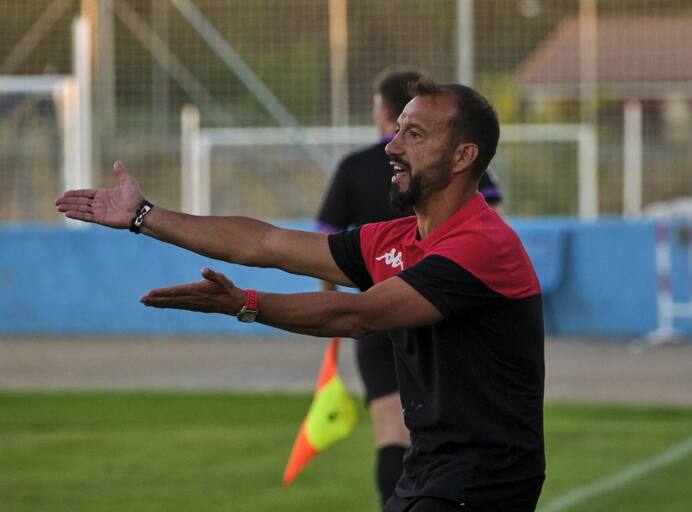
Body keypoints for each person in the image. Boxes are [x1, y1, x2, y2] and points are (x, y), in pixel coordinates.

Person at [56, 79, 545, 512]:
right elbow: (266, 243)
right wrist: (144, 215)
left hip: (485, 482)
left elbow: (359, 316)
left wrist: (245, 304)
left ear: (463, 157)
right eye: (397, 130)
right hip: (430, 473)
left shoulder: (482, 244)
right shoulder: (394, 239)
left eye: (414, 135)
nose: (392, 146)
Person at [315, 66, 503, 506]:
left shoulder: (355, 166)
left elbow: (326, 249)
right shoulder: (453, 158)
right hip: (447, 307)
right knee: (459, 434)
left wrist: (333, 314)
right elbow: (490, 221)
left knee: (391, 434)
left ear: (383, 110)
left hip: (379, 312)